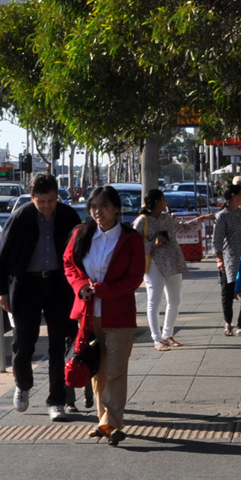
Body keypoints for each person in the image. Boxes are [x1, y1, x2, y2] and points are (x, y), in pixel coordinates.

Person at [0, 171, 85, 420]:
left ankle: (56, 400)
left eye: (51, 201)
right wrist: (2, 291)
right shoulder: (21, 217)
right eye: (41, 201)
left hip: (57, 284)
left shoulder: (67, 216)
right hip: (27, 286)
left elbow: (82, 251)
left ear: (57, 198)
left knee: (59, 344)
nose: (46, 206)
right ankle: (23, 384)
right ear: (32, 198)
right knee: (23, 342)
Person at [64, 185, 148, 444]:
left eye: (104, 206)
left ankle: (112, 423)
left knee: (115, 370)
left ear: (116, 208)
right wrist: (81, 288)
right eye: (94, 206)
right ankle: (104, 422)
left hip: (119, 315)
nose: (98, 211)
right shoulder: (82, 233)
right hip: (88, 315)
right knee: (98, 370)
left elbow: (135, 278)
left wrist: (103, 290)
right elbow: (69, 264)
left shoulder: (130, 239)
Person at [135, 188, 185, 351]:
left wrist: (203, 219)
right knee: (154, 301)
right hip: (153, 264)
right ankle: (156, 338)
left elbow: (182, 227)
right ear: (157, 202)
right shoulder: (142, 221)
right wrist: (153, 244)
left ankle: (167, 333)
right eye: (164, 199)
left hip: (171, 261)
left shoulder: (166, 218)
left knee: (175, 300)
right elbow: (133, 245)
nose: (166, 202)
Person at [212, 183, 241, 336]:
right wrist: (219, 260)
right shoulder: (222, 216)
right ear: (233, 196)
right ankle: (228, 323)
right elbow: (217, 240)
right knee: (228, 291)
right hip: (229, 258)